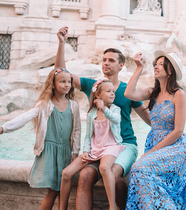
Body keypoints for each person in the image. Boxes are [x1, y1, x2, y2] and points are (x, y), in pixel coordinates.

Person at [55, 26, 150, 210]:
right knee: (84, 176)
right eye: (104, 60)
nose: (106, 63)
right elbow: (60, 74)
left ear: (121, 65)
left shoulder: (126, 90)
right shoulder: (93, 86)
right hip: (98, 147)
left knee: (114, 175)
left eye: (111, 60)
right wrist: (62, 43)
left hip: (125, 145)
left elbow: (146, 116)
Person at [0, 68, 81, 210]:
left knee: (62, 189)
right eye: (62, 81)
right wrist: (2, 129)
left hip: (66, 152)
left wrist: (75, 152)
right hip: (49, 153)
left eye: (69, 81)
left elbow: (77, 131)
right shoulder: (44, 105)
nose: (67, 84)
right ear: (53, 84)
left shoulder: (74, 106)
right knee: (54, 190)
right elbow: (23, 118)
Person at [124, 51, 186, 209]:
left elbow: (178, 130)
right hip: (154, 144)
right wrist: (139, 67)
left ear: (170, 70)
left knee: (139, 168)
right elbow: (128, 93)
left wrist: (153, 151)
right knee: (140, 171)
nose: (156, 66)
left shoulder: (178, 94)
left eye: (161, 64)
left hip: (174, 147)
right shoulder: (152, 92)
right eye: (156, 64)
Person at [60, 79, 125, 210]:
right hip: (95, 149)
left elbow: (116, 119)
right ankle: (62, 207)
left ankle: (113, 206)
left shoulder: (115, 109)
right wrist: (85, 151)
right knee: (66, 173)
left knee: (105, 167)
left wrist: (104, 109)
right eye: (108, 91)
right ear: (98, 95)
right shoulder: (91, 114)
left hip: (110, 147)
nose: (113, 94)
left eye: (113, 91)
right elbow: (88, 136)